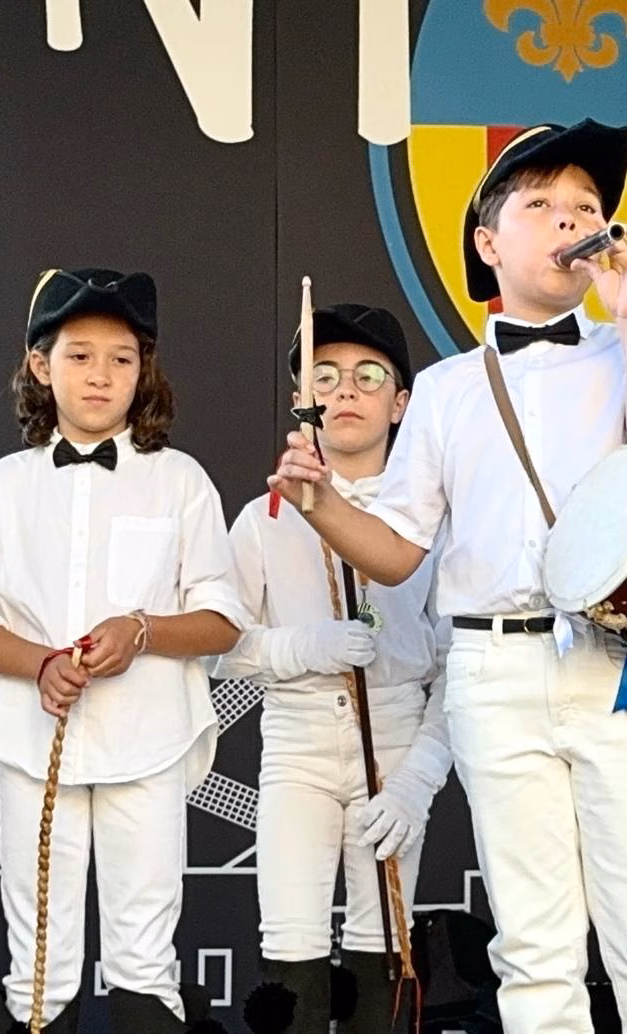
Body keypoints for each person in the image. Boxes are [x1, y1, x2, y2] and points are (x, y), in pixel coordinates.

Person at [266, 119, 627, 1032]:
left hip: (620, 661)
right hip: (493, 669)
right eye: (539, 204)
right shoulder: (445, 388)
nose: (569, 219)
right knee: (535, 950)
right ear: (488, 243)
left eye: (586, 205)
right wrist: (319, 503)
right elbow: (399, 548)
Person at [0, 268, 244, 1033]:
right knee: (38, 965)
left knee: (145, 959)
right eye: (79, 355)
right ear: (40, 365)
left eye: (121, 357)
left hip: (146, 746)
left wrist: (142, 631)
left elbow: (223, 618)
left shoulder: (180, 480)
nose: (101, 375)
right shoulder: (5, 484)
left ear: (144, 369)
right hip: (32, 749)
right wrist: (40, 665)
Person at [217, 303, 451, 1034]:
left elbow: (461, 666)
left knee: (383, 945)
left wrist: (416, 784)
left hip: (398, 738)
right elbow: (221, 646)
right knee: (291, 943)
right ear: (303, 400)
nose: (345, 390)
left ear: (400, 402)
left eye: (368, 375)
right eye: (326, 376)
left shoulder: (434, 521)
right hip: (298, 744)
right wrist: (303, 647)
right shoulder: (263, 518)